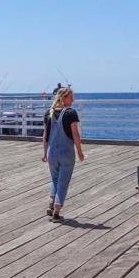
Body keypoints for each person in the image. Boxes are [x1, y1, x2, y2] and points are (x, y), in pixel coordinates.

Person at [42, 86, 85, 223]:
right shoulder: (71, 113)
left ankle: (50, 204)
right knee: (63, 182)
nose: (72, 100)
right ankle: (57, 211)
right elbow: (75, 135)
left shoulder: (48, 113)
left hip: (52, 153)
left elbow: (45, 136)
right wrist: (79, 151)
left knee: (55, 179)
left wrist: (44, 153)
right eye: (71, 97)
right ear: (64, 97)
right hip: (66, 152)